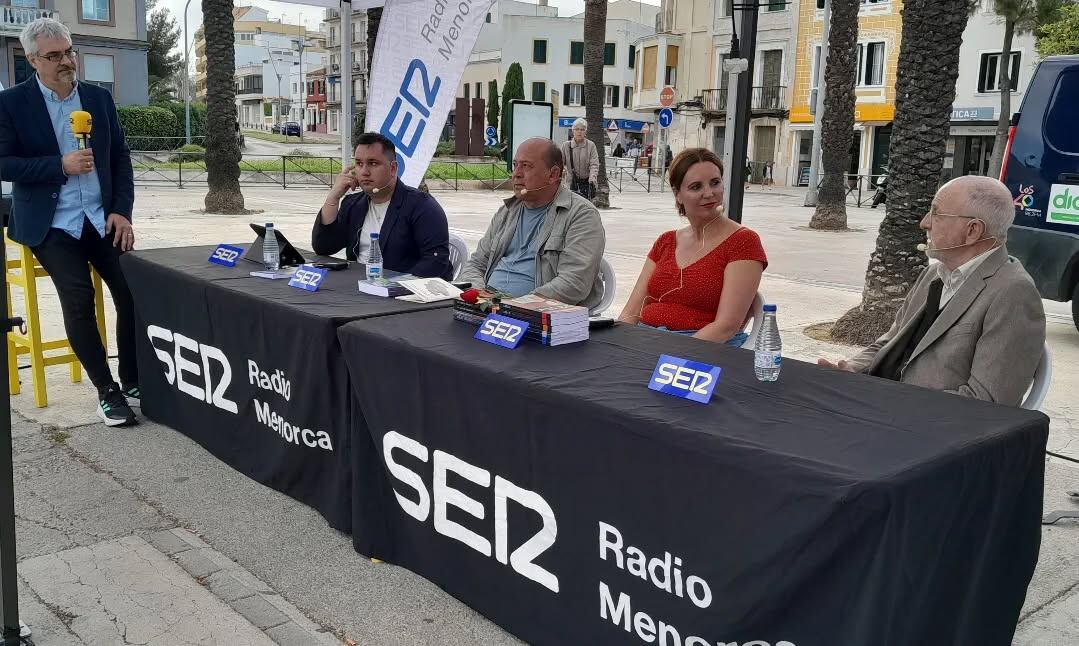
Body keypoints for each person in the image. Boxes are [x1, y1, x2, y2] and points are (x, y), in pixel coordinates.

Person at [0, 18, 138, 426]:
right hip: (52, 222)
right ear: (32, 60)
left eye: (68, 52)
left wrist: (121, 210)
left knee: (134, 289)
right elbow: (5, 163)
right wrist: (59, 164)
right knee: (78, 297)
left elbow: (120, 158)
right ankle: (107, 391)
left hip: (101, 217)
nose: (66, 62)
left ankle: (133, 379)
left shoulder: (97, 99)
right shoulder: (12, 103)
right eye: (54, 56)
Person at [818, 176, 1045, 406]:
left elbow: (986, 402)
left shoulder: (1014, 293)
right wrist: (851, 369)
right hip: (879, 403)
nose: (925, 222)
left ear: (973, 230)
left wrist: (895, 404)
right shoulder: (934, 274)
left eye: (936, 214)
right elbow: (890, 342)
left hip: (924, 425)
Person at [619, 148, 768, 346]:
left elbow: (726, 327)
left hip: (704, 349)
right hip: (647, 341)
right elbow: (631, 312)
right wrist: (616, 347)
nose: (709, 193)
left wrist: (671, 358)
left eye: (715, 182)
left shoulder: (743, 242)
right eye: (696, 187)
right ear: (677, 194)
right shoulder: (666, 241)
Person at [459, 137, 605, 310]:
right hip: (489, 307)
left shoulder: (581, 215)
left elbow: (574, 283)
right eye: (515, 165)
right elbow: (476, 263)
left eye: (526, 166)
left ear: (553, 174)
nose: (516, 174)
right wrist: (480, 296)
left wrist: (513, 306)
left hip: (540, 317)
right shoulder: (507, 211)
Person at [312, 132, 451, 279]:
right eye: (359, 164)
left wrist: (394, 286)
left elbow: (436, 261)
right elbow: (323, 247)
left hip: (401, 292)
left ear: (393, 169)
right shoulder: (353, 204)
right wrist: (334, 197)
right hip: (357, 287)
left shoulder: (422, 206)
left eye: (373, 163)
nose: (364, 172)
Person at [560, 118, 599, 200]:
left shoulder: (591, 145)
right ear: (573, 131)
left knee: (585, 209)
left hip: (587, 184)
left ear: (585, 132)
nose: (579, 131)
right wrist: (562, 171)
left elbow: (594, 165)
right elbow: (559, 163)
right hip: (571, 184)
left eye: (582, 129)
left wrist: (592, 179)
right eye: (577, 129)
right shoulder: (565, 146)